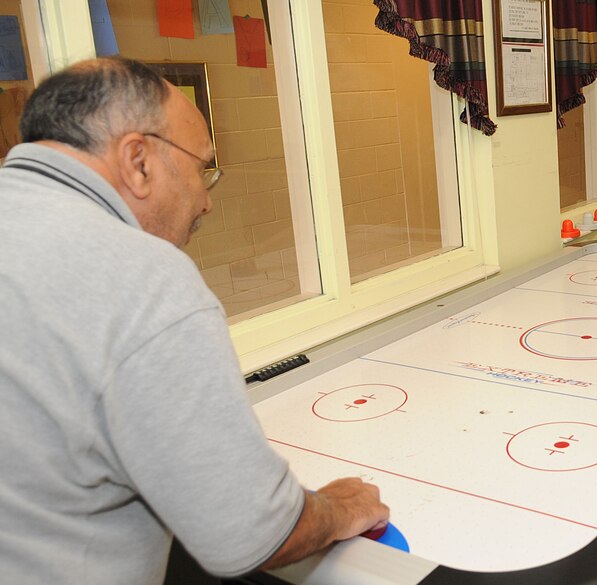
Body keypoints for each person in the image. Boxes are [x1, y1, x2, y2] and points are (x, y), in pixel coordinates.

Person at [0, 57, 388, 584]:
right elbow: (251, 534)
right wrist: (340, 508)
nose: (205, 200)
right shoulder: (140, 276)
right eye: (201, 168)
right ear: (138, 161)